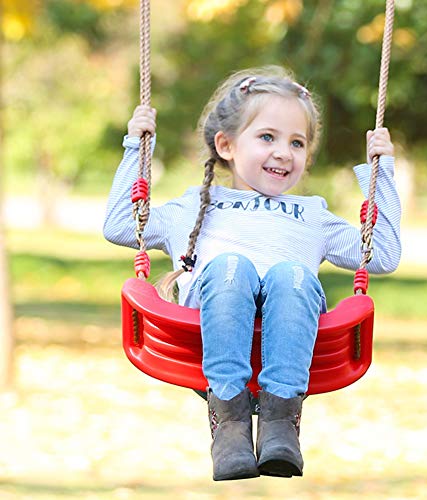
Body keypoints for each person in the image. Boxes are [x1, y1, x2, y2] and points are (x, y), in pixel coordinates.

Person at [103, 66, 401, 481]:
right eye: (267, 137)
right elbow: (121, 224)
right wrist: (135, 148)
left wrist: (382, 174)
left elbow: (382, 253)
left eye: (297, 142)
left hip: (290, 324)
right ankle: (229, 424)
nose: (284, 152)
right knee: (231, 266)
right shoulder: (192, 206)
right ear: (225, 144)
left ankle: (282, 424)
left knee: (290, 274)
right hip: (208, 326)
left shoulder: (312, 214)